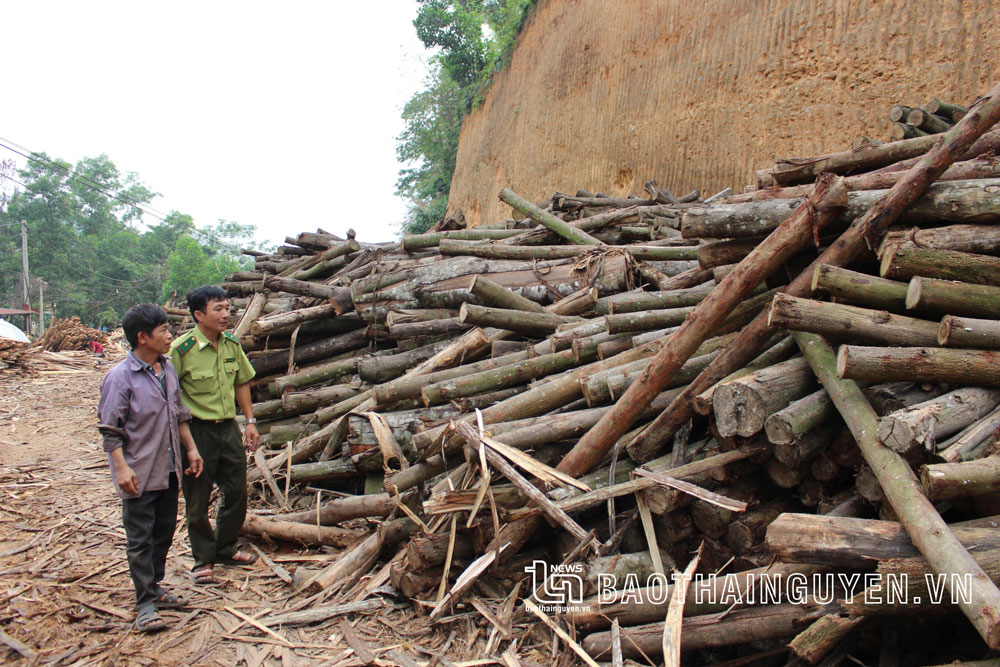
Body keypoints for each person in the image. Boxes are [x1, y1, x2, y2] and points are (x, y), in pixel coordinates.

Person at [97, 304, 204, 633]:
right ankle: (144, 603)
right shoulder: (120, 378)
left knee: (163, 532)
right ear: (143, 338)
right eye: (163, 331)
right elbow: (110, 431)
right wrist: (122, 469)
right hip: (139, 472)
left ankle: (154, 586)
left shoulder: (167, 369)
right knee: (140, 538)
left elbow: (179, 412)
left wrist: (191, 449)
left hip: (169, 469)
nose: (170, 336)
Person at [169, 285, 259, 585]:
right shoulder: (181, 350)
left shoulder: (231, 345)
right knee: (197, 499)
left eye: (227, 308)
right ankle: (203, 558)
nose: (225, 314)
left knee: (236, 491)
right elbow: (169, 394)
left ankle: (225, 547)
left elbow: (242, 382)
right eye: (218, 309)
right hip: (196, 432)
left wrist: (249, 421)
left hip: (228, 428)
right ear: (198, 315)